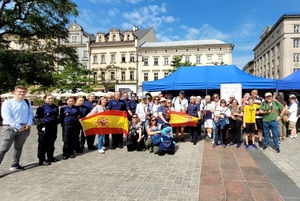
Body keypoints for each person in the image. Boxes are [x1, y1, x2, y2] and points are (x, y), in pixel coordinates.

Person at [0, 85, 33, 170]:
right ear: (14, 92)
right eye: (19, 92)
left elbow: (30, 114)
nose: (21, 93)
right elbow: (6, 116)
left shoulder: (27, 102)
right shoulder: (8, 103)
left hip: (24, 128)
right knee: (3, 149)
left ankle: (15, 164)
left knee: (18, 147)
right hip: (10, 128)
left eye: (23, 92)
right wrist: (18, 126)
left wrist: (29, 123)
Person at [35, 94, 59, 165]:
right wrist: (39, 126)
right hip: (44, 127)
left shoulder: (55, 107)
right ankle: (42, 159)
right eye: (49, 98)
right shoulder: (41, 108)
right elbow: (37, 119)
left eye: (52, 98)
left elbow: (56, 116)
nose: (50, 100)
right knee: (43, 143)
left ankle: (50, 157)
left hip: (53, 126)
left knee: (51, 142)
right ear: (45, 99)